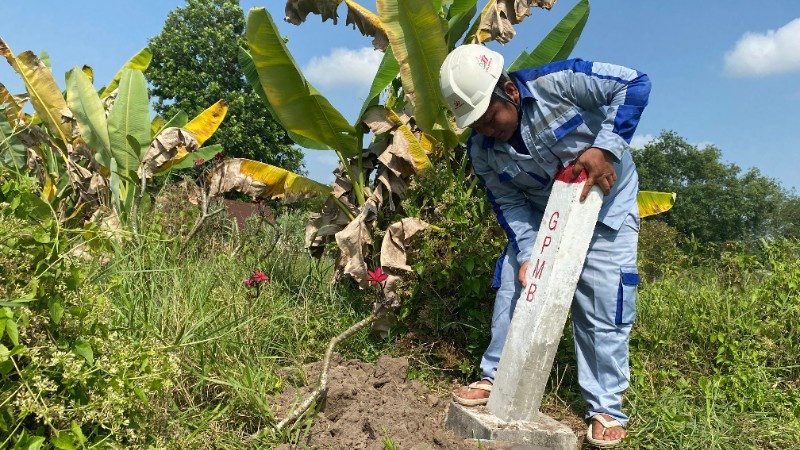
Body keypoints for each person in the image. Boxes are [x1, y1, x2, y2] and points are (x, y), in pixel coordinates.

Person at [439, 44, 651, 447]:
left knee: (604, 298)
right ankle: (495, 376)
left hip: (605, 204)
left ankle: (605, 407)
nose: (485, 129)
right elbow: (508, 203)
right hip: (542, 215)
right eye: (475, 125)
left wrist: (604, 148)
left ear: (510, 91)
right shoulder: (481, 150)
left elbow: (634, 84)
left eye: (488, 117)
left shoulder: (559, 83)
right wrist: (531, 251)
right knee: (516, 283)